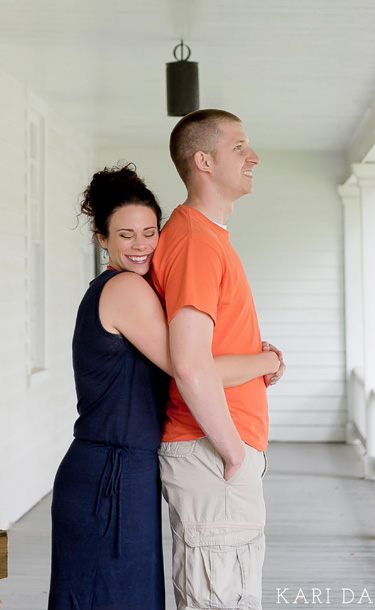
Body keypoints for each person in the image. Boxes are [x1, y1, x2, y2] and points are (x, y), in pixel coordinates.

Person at [48, 164, 281, 610]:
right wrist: (266, 360)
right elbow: (190, 367)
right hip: (106, 476)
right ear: (102, 239)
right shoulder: (124, 291)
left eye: (150, 232)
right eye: (125, 235)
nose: (141, 246)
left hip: (126, 469)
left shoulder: (137, 289)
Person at [150, 110, 286, 610]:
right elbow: (188, 363)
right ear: (202, 160)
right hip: (212, 449)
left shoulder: (207, 237)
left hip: (220, 449)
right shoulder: (194, 243)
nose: (253, 157)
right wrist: (231, 451)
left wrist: (260, 360)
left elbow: (203, 355)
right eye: (239, 147)